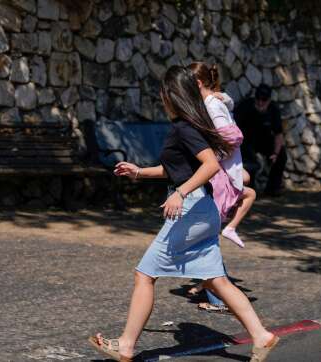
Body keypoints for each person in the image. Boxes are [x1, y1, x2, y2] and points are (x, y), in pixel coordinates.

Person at [88, 65, 279, 362]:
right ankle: (262, 336)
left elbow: (210, 166)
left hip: (192, 211)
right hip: (205, 210)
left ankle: (125, 345)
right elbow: (176, 169)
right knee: (217, 280)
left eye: (163, 94)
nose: (161, 99)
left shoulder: (184, 127)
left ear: (172, 95)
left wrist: (180, 193)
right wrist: (139, 172)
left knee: (144, 274)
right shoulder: (191, 125)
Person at [188, 61, 257, 313]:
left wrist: (209, 156)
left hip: (218, 177)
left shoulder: (210, 105)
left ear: (196, 84)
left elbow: (232, 136)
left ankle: (219, 297)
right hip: (221, 174)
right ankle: (212, 291)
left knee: (205, 240)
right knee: (206, 238)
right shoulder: (213, 103)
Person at [234, 84, 287, 196]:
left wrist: (276, 153)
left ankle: (273, 188)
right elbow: (233, 127)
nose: (260, 102)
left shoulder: (273, 109)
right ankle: (249, 189)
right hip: (246, 141)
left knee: (281, 155)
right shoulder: (245, 106)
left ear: (269, 100)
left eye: (264, 100)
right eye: (258, 99)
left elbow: (278, 134)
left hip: (265, 141)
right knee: (251, 160)